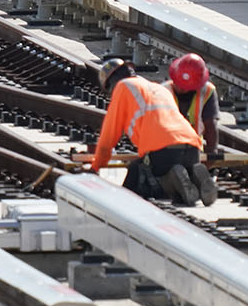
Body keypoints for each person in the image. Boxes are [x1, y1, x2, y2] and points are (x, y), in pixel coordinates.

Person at [80, 57, 217, 206]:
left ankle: (172, 182)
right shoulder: (158, 88)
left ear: (110, 84)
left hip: (163, 150)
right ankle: (196, 179)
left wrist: (95, 167)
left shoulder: (123, 87)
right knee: (180, 173)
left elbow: (108, 137)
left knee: (141, 181)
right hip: (192, 148)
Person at [167, 54, 223, 165]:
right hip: (165, 149)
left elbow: (211, 124)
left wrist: (212, 152)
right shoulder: (163, 90)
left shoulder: (206, 91)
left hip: (193, 149)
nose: (181, 89)